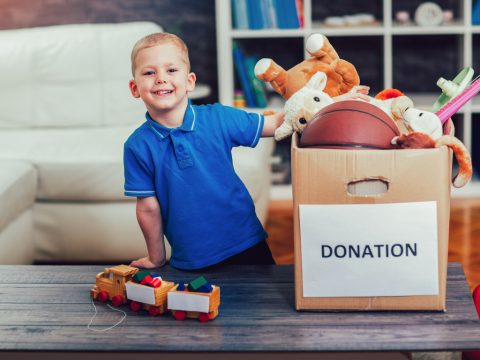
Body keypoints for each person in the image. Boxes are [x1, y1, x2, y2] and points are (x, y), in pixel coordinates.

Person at [124, 32, 284, 270]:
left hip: (247, 243)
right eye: (149, 72)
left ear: (190, 81)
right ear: (135, 88)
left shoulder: (218, 117)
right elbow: (147, 207)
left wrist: (324, 105)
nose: (160, 79)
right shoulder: (137, 146)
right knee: (198, 305)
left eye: (171, 70)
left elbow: (275, 124)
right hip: (190, 259)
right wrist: (156, 258)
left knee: (262, 305)